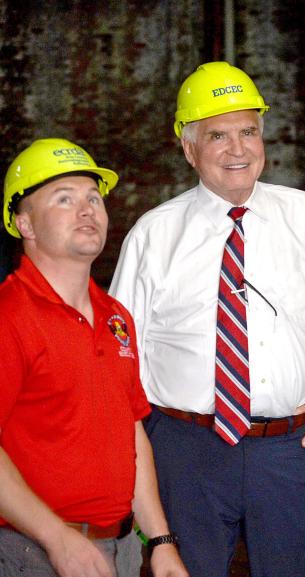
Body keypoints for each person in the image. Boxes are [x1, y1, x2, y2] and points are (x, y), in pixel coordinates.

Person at [109, 62, 305, 577]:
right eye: (217, 135)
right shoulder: (153, 235)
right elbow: (122, 352)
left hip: (289, 448)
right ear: (189, 149)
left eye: (248, 132)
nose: (238, 149)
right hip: (186, 453)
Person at [0, 138, 188, 577]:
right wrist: (56, 537)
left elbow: (131, 431)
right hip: (30, 553)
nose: (87, 210)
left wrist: (159, 541)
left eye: (93, 198)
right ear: (24, 223)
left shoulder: (115, 316)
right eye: (64, 199)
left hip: (117, 548)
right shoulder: (9, 316)